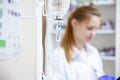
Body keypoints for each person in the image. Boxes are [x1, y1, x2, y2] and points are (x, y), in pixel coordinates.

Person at [46, 5, 105, 80]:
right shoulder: (58, 56)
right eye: (90, 28)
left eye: (96, 29)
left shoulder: (94, 52)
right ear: (74, 23)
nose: (93, 33)